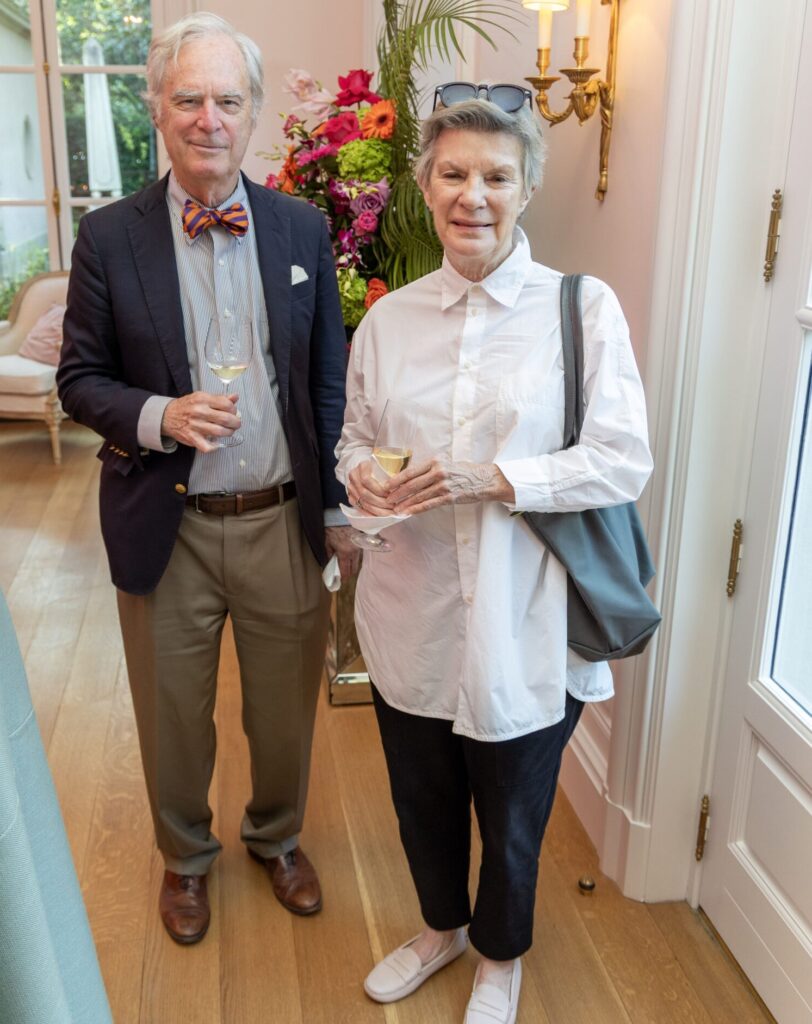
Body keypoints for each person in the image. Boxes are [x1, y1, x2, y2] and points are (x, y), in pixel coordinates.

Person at [336, 88, 653, 1024]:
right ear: (424, 189)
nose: (474, 194)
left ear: (526, 189)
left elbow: (622, 459)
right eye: (454, 175)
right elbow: (353, 436)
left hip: (527, 618)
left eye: (496, 176)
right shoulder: (390, 322)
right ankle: (440, 930)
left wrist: (496, 479)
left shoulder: (580, 310)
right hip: (411, 607)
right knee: (421, 797)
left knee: (513, 813)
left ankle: (499, 959)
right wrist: (363, 478)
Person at [57, 12, 357, 945]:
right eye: (188, 99)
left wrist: (339, 504)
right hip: (165, 520)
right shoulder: (110, 238)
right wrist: (159, 417)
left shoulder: (304, 227)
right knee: (172, 717)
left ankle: (277, 837)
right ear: (159, 108)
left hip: (280, 517)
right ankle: (185, 857)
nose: (208, 118)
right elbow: (78, 379)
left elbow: (325, 378)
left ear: (255, 111)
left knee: (284, 714)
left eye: (228, 99)